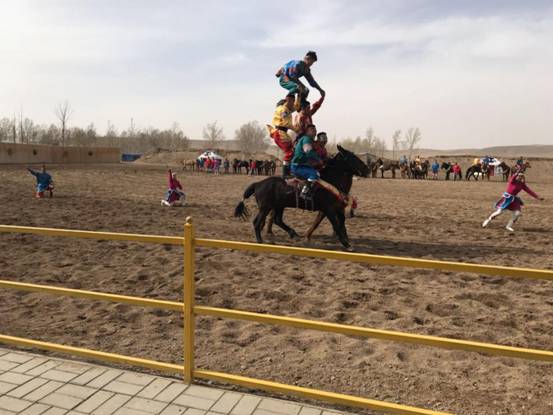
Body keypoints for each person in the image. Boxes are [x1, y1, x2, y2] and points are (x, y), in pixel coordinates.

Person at [267, 93, 300, 177]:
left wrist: (299, 96)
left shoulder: (287, 109)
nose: (293, 104)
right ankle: (285, 174)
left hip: (282, 133)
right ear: (288, 101)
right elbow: (286, 123)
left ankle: (289, 172)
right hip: (280, 133)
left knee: (293, 150)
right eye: (293, 102)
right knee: (290, 152)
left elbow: (296, 107)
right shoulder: (283, 109)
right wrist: (296, 130)